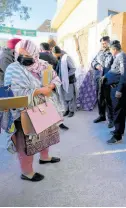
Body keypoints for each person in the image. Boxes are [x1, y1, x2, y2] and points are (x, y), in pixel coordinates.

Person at [4, 40, 62, 182]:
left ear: (35, 53)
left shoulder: (43, 65)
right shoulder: (13, 68)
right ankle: (27, 172)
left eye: (27, 54)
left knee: (45, 136)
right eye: (20, 53)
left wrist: (52, 86)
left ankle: (44, 157)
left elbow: (56, 78)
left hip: (43, 108)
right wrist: (39, 90)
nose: (23, 57)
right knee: (26, 143)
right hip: (24, 113)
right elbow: (13, 91)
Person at [103, 40, 126, 144]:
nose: (110, 51)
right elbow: (114, 71)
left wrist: (119, 90)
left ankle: (117, 136)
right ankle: (119, 130)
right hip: (115, 87)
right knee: (119, 111)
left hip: (119, 89)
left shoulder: (122, 57)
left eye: (110, 49)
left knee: (118, 111)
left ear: (114, 49)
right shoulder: (117, 57)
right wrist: (106, 76)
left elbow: (124, 75)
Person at [39, 42, 69, 130]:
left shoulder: (37, 56)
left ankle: (48, 124)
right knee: (55, 104)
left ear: (41, 49)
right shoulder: (53, 56)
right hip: (53, 83)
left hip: (42, 85)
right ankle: (60, 123)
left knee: (43, 106)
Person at [92, 36, 114, 128]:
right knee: (100, 98)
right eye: (102, 43)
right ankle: (102, 116)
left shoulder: (112, 53)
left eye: (104, 43)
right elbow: (93, 61)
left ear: (109, 43)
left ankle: (111, 119)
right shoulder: (99, 52)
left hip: (108, 80)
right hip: (99, 79)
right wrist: (96, 65)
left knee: (109, 100)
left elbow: (114, 68)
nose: (103, 45)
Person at [52, 46, 77, 118]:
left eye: (53, 54)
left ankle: (71, 110)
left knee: (69, 95)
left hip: (68, 80)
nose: (53, 55)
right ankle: (66, 109)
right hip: (60, 80)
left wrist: (66, 77)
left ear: (55, 53)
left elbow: (73, 68)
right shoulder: (59, 57)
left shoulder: (66, 57)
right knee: (62, 95)